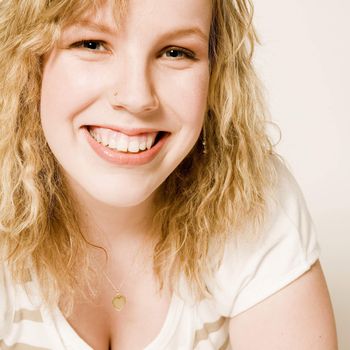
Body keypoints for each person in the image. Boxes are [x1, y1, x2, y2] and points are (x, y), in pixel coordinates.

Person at [0, 0, 338, 349]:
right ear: (26, 59)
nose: (136, 97)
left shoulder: (253, 198)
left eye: (175, 52)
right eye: (92, 44)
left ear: (216, 71)